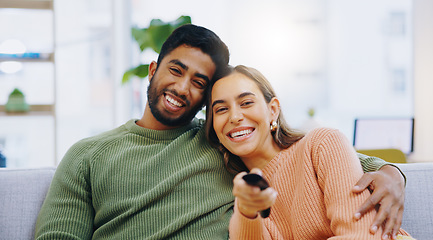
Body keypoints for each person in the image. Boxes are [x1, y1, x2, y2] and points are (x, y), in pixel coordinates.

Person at [35, 24, 405, 239]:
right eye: (175, 71)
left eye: (199, 82)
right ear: (152, 70)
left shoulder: (219, 141)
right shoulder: (88, 154)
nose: (182, 89)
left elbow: (332, 160)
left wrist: (393, 173)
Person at [205, 65, 413, 239]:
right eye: (221, 109)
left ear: (273, 110)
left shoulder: (322, 144)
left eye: (246, 102)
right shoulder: (241, 196)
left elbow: (360, 236)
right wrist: (247, 212)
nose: (234, 117)